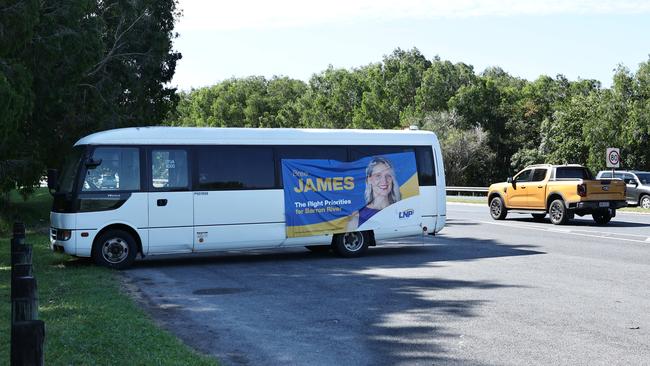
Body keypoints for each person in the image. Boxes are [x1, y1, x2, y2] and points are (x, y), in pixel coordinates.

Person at [347, 157, 401, 230]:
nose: (384, 181)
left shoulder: (401, 209)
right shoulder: (357, 217)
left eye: (388, 176)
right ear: (369, 180)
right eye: (378, 176)